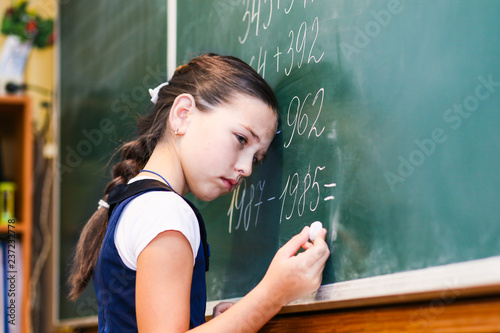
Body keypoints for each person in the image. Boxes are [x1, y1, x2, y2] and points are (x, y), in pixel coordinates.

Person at [68, 53, 330, 332]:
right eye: (241, 139)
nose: (247, 169)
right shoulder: (165, 212)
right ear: (183, 115)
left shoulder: (138, 201)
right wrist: (273, 294)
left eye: (256, 158)